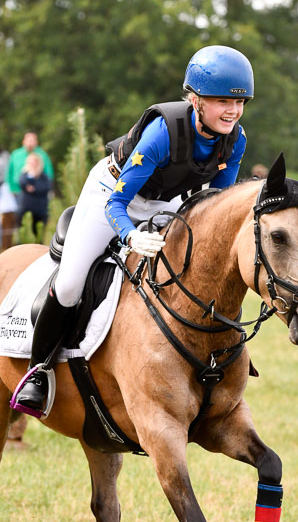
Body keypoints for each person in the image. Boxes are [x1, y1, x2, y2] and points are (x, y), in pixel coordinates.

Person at [12, 44, 254, 415]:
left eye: (240, 103)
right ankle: (38, 372)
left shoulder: (235, 141)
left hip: (165, 202)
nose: (233, 111)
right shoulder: (163, 133)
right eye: (223, 101)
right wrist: (129, 235)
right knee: (71, 282)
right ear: (195, 100)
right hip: (111, 192)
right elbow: (116, 205)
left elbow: (215, 207)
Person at [7, 132, 54, 209]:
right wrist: (11, 188)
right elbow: (9, 172)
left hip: (38, 192)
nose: (30, 143)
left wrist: (44, 187)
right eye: (28, 140)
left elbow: (49, 173)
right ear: (24, 141)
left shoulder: (42, 155)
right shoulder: (16, 154)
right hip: (18, 191)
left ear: (36, 142)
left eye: (32, 140)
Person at [18, 152, 52, 238]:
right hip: (25, 209)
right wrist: (31, 176)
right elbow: (23, 184)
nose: (32, 165)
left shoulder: (44, 177)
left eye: (34, 162)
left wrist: (34, 188)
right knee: (23, 234)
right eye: (30, 162)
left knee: (38, 235)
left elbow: (45, 187)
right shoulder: (24, 175)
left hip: (40, 210)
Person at [0, 148, 17, 250]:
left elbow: (10, 173)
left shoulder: (6, 155)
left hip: (5, 189)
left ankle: (6, 247)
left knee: (7, 220)